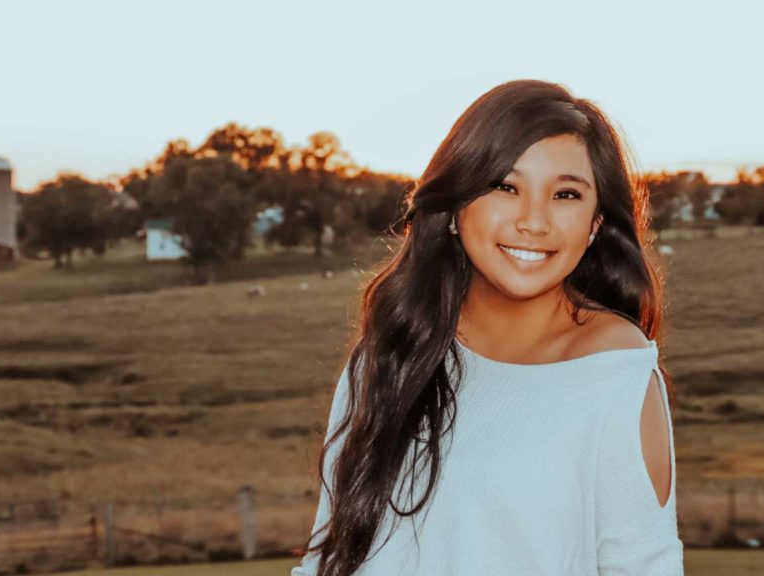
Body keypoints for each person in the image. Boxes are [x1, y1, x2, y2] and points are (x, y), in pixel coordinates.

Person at [290, 79, 684, 575]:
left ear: (595, 223)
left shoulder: (614, 373)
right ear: (455, 206)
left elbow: (643, 566)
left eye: (565, 194)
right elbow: (325, 559)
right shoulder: (389, 354)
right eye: (505, 186)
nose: (533, 221)